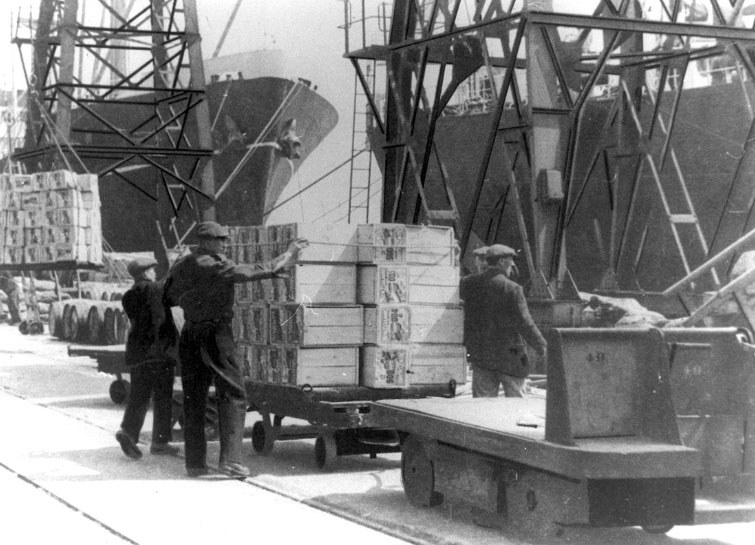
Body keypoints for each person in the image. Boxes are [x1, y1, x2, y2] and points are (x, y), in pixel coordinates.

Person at [164, 221, 306, 478]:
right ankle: (230, 461)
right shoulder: (208, 263)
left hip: (190, 332)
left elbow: (170, 295)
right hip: (216, 334)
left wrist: (195, 301)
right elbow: (245, 271)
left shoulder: (183, 263)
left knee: (193, 397)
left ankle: (195, 463)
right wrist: (287, 256)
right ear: (207, 241)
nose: (225, 245)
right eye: (221, 240)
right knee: (233, 393)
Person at [460, 244, 547, 398]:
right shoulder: (512, 289)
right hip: (511, 358)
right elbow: (525, 323)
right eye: (510, 260)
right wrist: (541, 345)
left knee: (482, 408)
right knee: (515, 407)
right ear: (501, 262)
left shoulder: (470, 284)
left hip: (482, 356)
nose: (512, 264)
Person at [115, 257, 179, 459]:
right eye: (152, 269)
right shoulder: (156, 289)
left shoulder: (128, 296)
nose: (154, 272)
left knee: (139, 396)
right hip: (159, 353)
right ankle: (160, 442)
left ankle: (128, 432)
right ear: (144, 273)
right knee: (163, 398)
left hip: (138, 353)